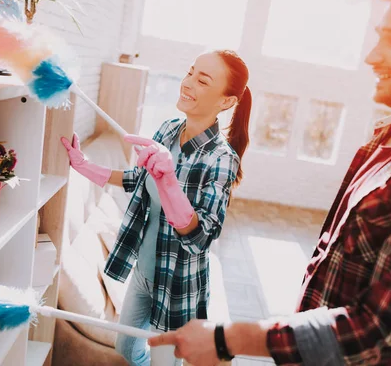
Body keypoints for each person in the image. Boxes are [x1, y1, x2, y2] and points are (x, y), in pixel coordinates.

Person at [148, 0, 391, 365]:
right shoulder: (387, 136)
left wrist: (229, 338)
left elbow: (377, 327)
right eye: (380, 37)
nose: (372, 56)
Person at [61, 49, 252, 365]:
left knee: (165, 362)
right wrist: (85, 166)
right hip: (142, 274)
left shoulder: (221, 159)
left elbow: (203, 235)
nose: (187, 83)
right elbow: (140, 179)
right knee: (126, 353)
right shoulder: (167, 130)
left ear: (226, 101)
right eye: (190, 72)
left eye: (202, 80)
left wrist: (169, 182)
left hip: (178, 286)